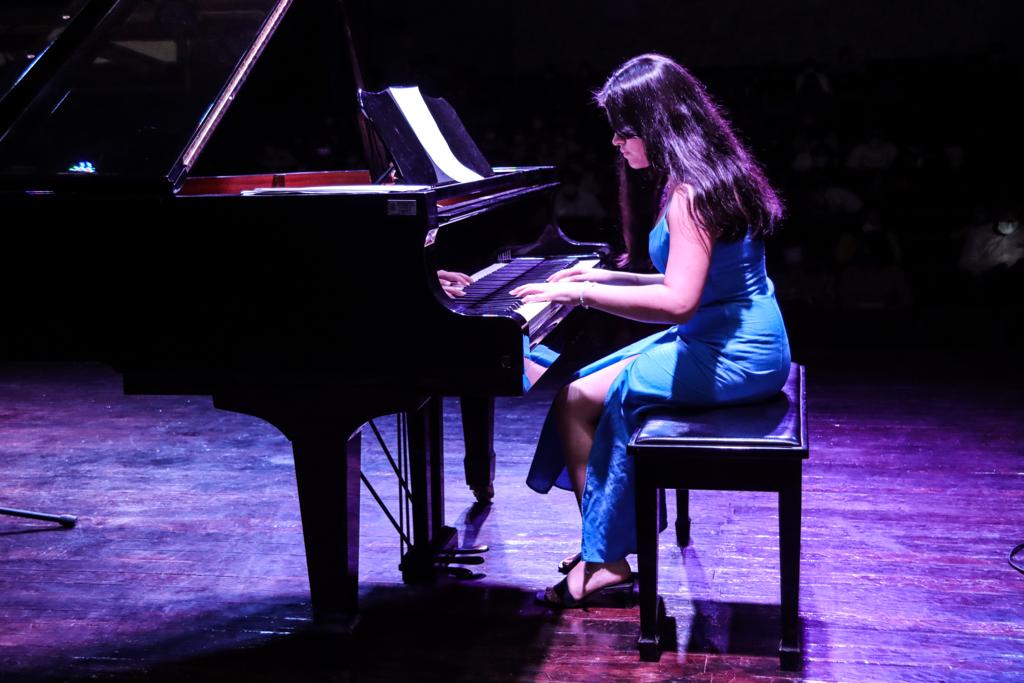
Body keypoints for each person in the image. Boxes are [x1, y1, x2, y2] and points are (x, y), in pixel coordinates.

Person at [511, 54, 791, 607]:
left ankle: (606, 563)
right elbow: (682, 280)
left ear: (656, 124)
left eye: (624, 130)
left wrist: (583, 292)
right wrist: (593, 275)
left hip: (733, 351)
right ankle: (604, 544)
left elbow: (677, 301)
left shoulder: (692, 194)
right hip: (727, 334)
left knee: (615, 397)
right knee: (575, 393)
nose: (616, 142)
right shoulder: (707, 172)